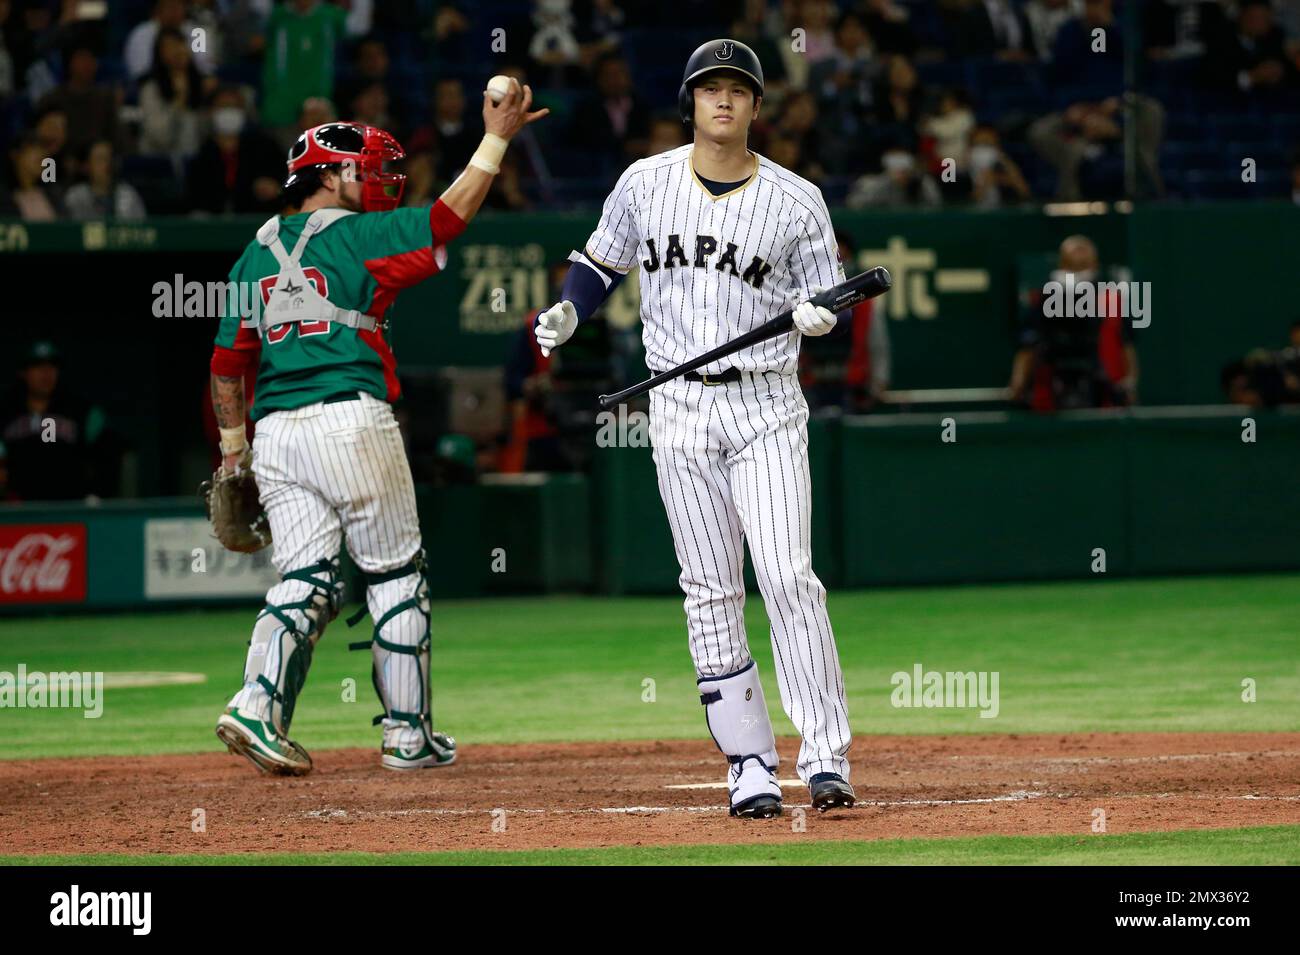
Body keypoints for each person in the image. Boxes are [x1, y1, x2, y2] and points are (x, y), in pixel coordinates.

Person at [535, 39, 855, 819]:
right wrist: (573, 306)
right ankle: (748, 760)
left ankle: (825, 755)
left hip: (767, 403)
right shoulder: (646, 181)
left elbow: (829, 297)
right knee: (709, 587)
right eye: (709, 88)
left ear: (754, 105)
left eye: (737, 90)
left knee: (787, 575)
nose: (723, 100)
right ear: (691, 101)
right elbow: (600, 260)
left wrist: (820, 316)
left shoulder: (796, 198)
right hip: (678, 406)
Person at [208, 85, 548, 775]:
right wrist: (496, 138)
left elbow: (225, 369)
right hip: (352, 419)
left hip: (274, 433)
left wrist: (234, 457)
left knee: (305, 577)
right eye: (364, 168)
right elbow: (447, 219)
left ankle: (254, 705)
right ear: (328, 174)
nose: (379, 180)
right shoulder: (359, 235)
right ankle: (405, 734)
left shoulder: (254, 252)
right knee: (395, 574)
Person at [0, 341, 111, 500]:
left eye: (52, 366)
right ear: (23, 372)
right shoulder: (6, 412)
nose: (46, 373)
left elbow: (104, 461)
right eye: (37, 366)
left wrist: (95, 494)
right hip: (19, 510)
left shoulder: (81, 412)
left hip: (68, 506)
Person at [63, 140, 147, 220]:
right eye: (100, 159)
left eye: (109, 158)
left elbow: (142, 229)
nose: (107, 164)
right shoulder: (75, 197)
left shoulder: (129, 195)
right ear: (86, 166)